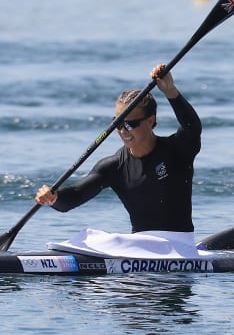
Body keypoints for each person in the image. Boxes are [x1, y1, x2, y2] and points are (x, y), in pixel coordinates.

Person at [36, 64, 202, 236]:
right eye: (118, 123)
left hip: (180, 246)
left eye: (130, 124)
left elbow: (192, 127)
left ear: (150, 121)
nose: (123, 130)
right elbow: (74, 197)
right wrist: (53, 198)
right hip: (140, 248)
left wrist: (171, 91)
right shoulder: (114, 166)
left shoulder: (177, 150)